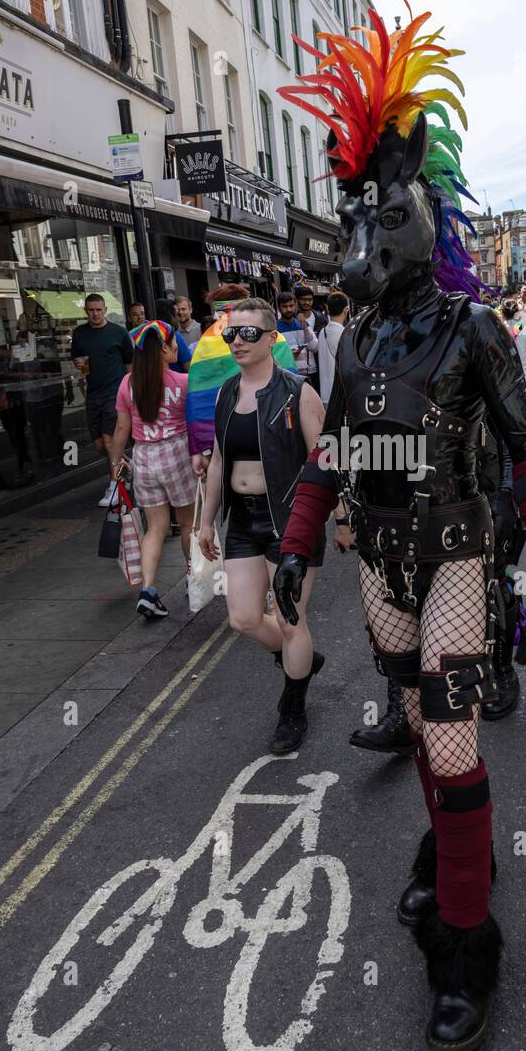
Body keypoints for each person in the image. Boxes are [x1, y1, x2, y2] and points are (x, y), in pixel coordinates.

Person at [274, 3, 526, 1051]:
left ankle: (465, 947)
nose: (361, 236)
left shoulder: (477, 327)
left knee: (451, 744)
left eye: (378, 208)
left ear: (420, 209)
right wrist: (301, 544)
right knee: (416, 719)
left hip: (453, 555)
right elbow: (331, 455)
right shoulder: (351, 341)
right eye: (352, 211)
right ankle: (460, 856)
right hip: (382, 569)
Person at [197, 298, 326, 754]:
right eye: (232, 333)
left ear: (272, 339)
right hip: (243, 522)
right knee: (244, 619)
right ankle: (301, 660)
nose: (237, 341)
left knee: (292, 621)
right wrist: (206, 521)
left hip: (290, 520)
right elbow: (216, 463)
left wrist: (344, 517)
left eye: (249, 333)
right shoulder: (225, 393)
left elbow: (324, 460)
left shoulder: (298, 393)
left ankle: (293, 708)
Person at [107, 320, 197, 617]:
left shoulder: (127, 384)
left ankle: (148, 589)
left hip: (144, 457)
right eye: (171, 344)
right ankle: (192, 577)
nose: (175, 348)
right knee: (187, 524)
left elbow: (122, 428)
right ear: (162, 350)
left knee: (155, 528)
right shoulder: (183, 382)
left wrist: (116, 462)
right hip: (178, 454)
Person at [185, 284, 297, 473]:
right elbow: (292, 384)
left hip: (228, 435)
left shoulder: (208, 339)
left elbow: (198, 398)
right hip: (274, 427)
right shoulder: (268, 331)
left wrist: (201, 449)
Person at [71, 293, 133, 505]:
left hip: (115, 392)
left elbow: (129, 364)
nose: (95, 314)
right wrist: (79, 365)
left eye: (99, 309)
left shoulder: (119, 333)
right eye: (91, 310)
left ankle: (115, 485)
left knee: (109, 440)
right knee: (99, 445)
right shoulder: (79, 334)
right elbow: (78, 360)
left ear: (105, 309)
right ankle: (127, 466)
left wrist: (130, 391)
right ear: (85, 311)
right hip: (93, 393)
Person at [277, 290, 318, 387]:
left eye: (291, 306)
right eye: (285, 306)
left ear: (295, 306)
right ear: (279, 308)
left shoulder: (303, 324)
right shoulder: (275, 328)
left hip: (307, 374)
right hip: (286, 375)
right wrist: (288, 355)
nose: (288, 309)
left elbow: (314, 347)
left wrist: (305, 328)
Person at [317, 290, 349, 405]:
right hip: (340, 395)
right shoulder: (346, 334)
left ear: (328, 310)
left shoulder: (322, 332)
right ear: (346, 310)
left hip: (324, 394)